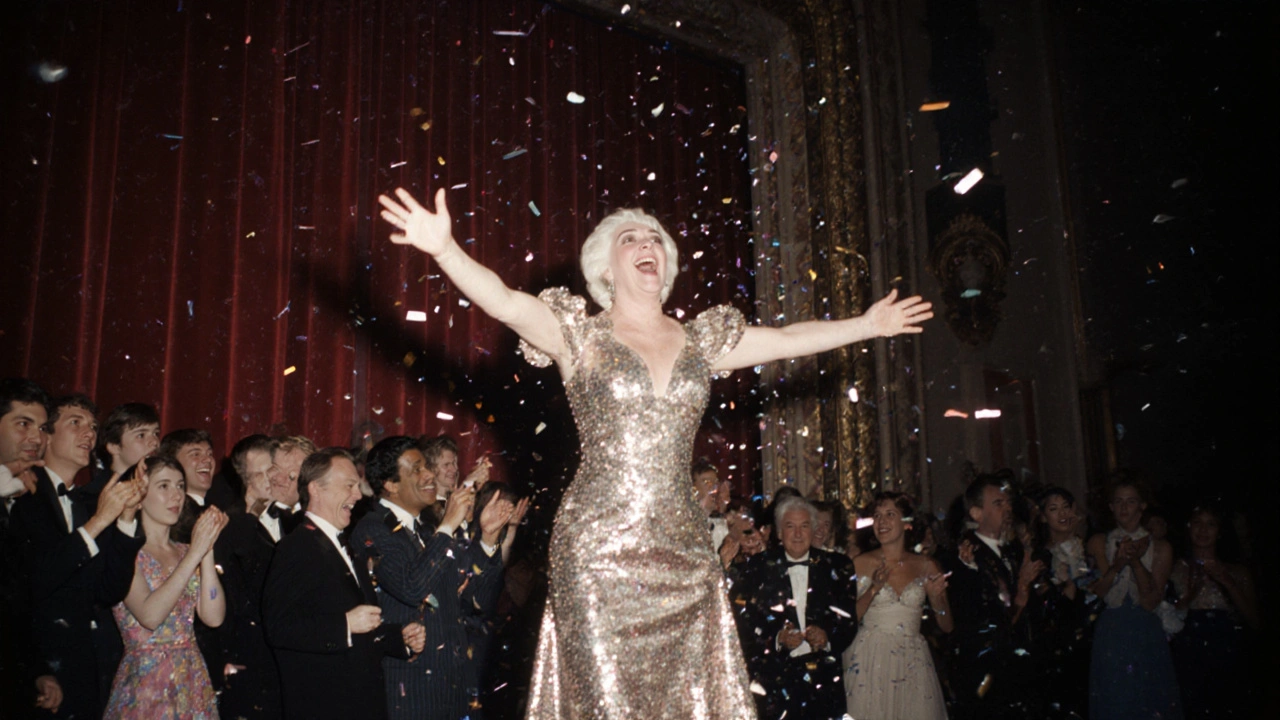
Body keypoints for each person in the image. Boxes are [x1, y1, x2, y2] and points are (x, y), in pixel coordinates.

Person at [378, 186, 930, 717]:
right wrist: (445, 250)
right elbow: (505, 302)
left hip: (685, 552)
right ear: (605, 269)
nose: (647, 244)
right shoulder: (578, 335)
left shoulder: (701, 341)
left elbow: (785, 341)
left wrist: (867, 325)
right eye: (630, 239)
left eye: (655, 239)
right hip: (598, 549)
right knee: (604, 701)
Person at [350, 436, 512, 719]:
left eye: (427, 466)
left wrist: (488, 539)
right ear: (391, 484)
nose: (429, 475)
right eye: (417, 469)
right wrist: (448, 525)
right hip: (411, 693)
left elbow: (477, 600)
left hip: (453, 690)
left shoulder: (427, 531)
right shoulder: (372, 529)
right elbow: (412, 588)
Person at [10, 393, 147, 719]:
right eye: (76, 423)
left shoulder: (86, 505)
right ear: (46, 435)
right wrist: (99, 522)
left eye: (93, 427)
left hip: (86, 671)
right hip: (36, 674)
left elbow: (108, 592)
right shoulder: (20, 496)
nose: (89, 433)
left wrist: (126, 519)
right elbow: (29, 585)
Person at [263, 448, 426, 719]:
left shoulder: (346, 546)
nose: (358, 495)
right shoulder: (296, 547)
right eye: (349, 485)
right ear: (316, 489)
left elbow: (358, 627)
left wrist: (399, 638)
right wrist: (346, 624)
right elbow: (279, 628)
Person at [104, 455, 228, 719]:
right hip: (147, 681)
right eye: (164, 486)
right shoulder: (126, 553)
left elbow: (214, 617)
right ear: (139, 497)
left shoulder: (186, 551)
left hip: (192, 678)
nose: (176, 495)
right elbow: (150, 616)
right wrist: (195, 553)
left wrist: (206, 550)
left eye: (180, 485)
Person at [731, 496, 857, 719]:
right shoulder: (757, 568)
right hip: (774, 684)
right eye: (790, 526)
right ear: (779, 532)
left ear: (813, 529)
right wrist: (777, 638)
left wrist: (827, 638)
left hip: (824, 683)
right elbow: (742, 624)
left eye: (804, 526)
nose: (798, 534)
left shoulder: (838, 566)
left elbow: (849, 622)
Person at [942, 472, 1044, 719]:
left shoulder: (1015, 550)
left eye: (1008, 502)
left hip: (1022, 667)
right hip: (987, 671)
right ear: (977, 513)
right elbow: (977, 616)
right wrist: (1021, 589)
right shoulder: (963, 557)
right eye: (998, 503)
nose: (1007, 509)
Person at [843, 492, 950, 719]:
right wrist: (873, 589)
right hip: (870, 659)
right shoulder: (860, 563)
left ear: (907, 523)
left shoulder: (926, 565)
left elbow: (947, 625)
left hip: (913, 660)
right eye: (877, 516)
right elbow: (848, 620)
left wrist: (936, 599)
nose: (881, 522)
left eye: (890, 514)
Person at [1086, 477, 1181, 720]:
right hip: (1112, 632)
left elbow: (1150, 602)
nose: (1124, 507)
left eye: (1130, 501)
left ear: (1142, 505)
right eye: (1118, 501)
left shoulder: (1161, 547)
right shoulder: (1100, 542)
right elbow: (1099, 593)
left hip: (1144, 630)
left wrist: (1136, 562)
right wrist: (1118, 565)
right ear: (1110, 506)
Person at [0, 378, 62, 716]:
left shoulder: (25, 499)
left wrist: (37, 671)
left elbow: (17, 605)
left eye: (41, 428)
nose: (36, 438)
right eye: (23, 424)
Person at [1169, 505, 1257, 718]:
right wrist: (1190, 594)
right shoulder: (1174, 568)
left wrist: (1228, 583)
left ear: (1219, 531)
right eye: (1197, 523)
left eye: (1211, 524)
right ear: (1189, 527)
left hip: (1226, 651)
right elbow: (1166, 616)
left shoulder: (1238, 571)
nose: (1203, 530)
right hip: (1188, 652)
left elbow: (1256, 621)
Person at [1026, 486, 1094, 719]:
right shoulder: (1041, 557)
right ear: (1043, 516)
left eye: (1066, 507)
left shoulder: (1086, 547)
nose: (1063, 514)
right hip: (1056, 643)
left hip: (1089, 636)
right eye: (1054, 509)